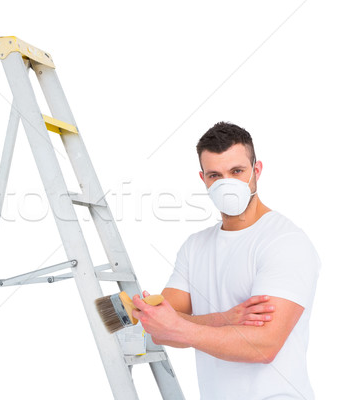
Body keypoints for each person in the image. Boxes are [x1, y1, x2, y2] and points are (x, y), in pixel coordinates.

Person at [132, 122, 320, 399]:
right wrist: (223, 319)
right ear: (203, 179)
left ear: (256, 171)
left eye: (237, 172)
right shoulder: (195, 247)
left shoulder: (284, 241)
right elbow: (161, 328)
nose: (226, 184)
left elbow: (263, 346)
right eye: (215, 175)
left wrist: (181, 326)